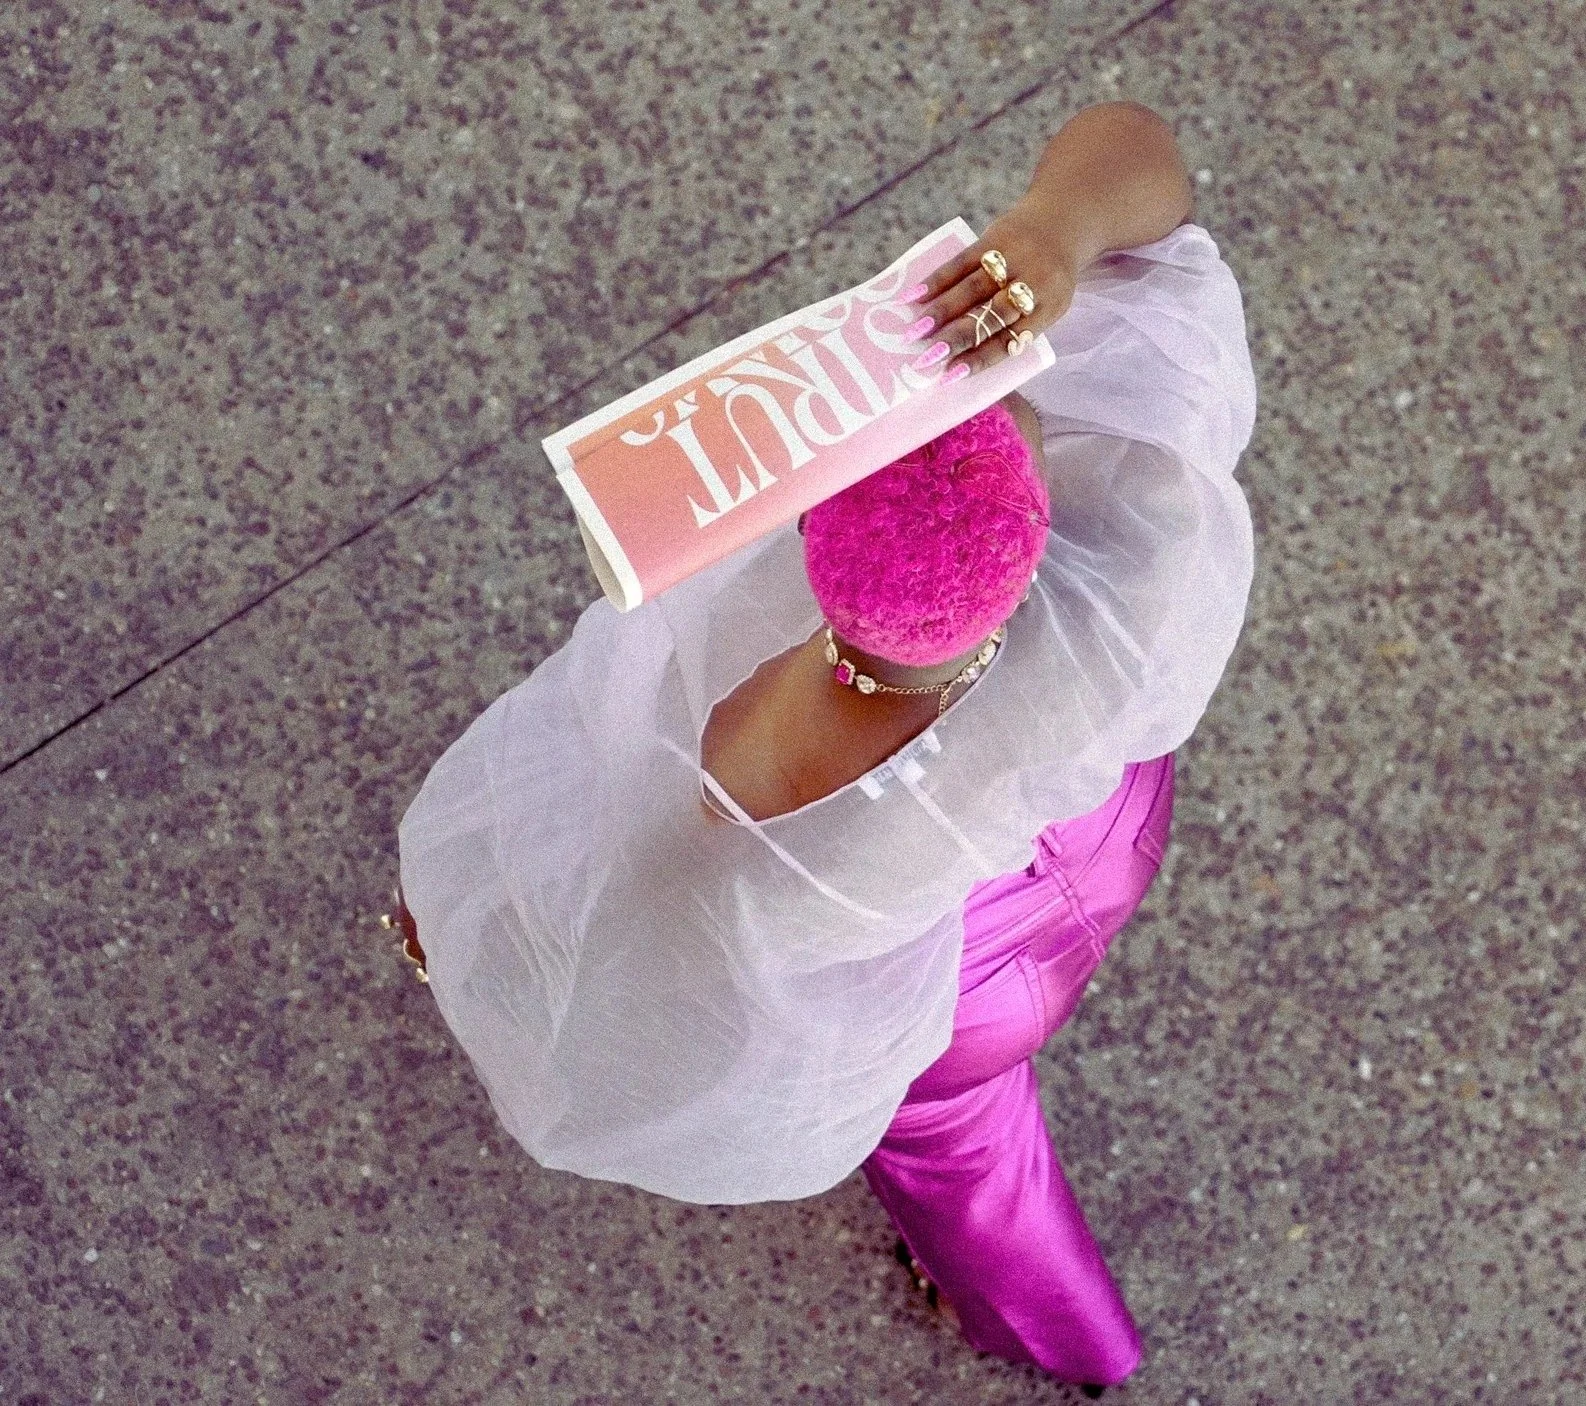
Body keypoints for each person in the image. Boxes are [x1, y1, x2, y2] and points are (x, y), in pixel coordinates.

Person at [391, 101, 1255, 1392]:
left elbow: (637, 928)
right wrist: (1052, 233)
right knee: (976, 1162)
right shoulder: (1132, 577)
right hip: (1102, 837)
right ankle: (1066, 1333)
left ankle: (1061, 1325)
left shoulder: (770, 762)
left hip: (949, 984)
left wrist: (467, 914)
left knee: (953, 1134)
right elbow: (1147, 164)